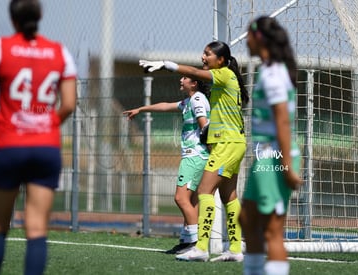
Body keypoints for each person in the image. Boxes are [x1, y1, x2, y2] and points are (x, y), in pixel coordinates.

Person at [0, 0, 77, 274]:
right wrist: (45, 124)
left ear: (12, 19)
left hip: (10, 146)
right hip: (45, 147)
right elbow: (69, 103)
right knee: (36, 230)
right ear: (41, 16)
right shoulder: (60, 52)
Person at [140, 40, 249, 262]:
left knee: (203, 192)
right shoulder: (226, 79)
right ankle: (235, 249)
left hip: (226, 144)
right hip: (233, 143)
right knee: (229, 196)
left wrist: (165, 63)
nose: (203, 57)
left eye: (207, 54)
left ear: (221, 60)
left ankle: (201, 247)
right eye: (203, 53)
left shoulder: (225, 74)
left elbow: (193, 72)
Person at [239, 16, 303, 275]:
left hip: (274, 158)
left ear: (260, 38)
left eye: (248, 35)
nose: (245, 40)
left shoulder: (274, 74)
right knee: (247, 219)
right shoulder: (268, 70)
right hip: (265, 157)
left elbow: (283, 123)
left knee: (272, 231)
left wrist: (286, 165)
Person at [123, 77, 210, 254]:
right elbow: (164, 106)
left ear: (194, 83)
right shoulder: (189, 101)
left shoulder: (197, 99)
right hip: (195, 156)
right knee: (191, 201)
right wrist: (141, 109)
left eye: (185, 77)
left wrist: (209, 151)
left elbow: (205, 127)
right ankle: (187, 241)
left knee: (180, 198)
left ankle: (195, 243)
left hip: (195, 157)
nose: (180, 79)